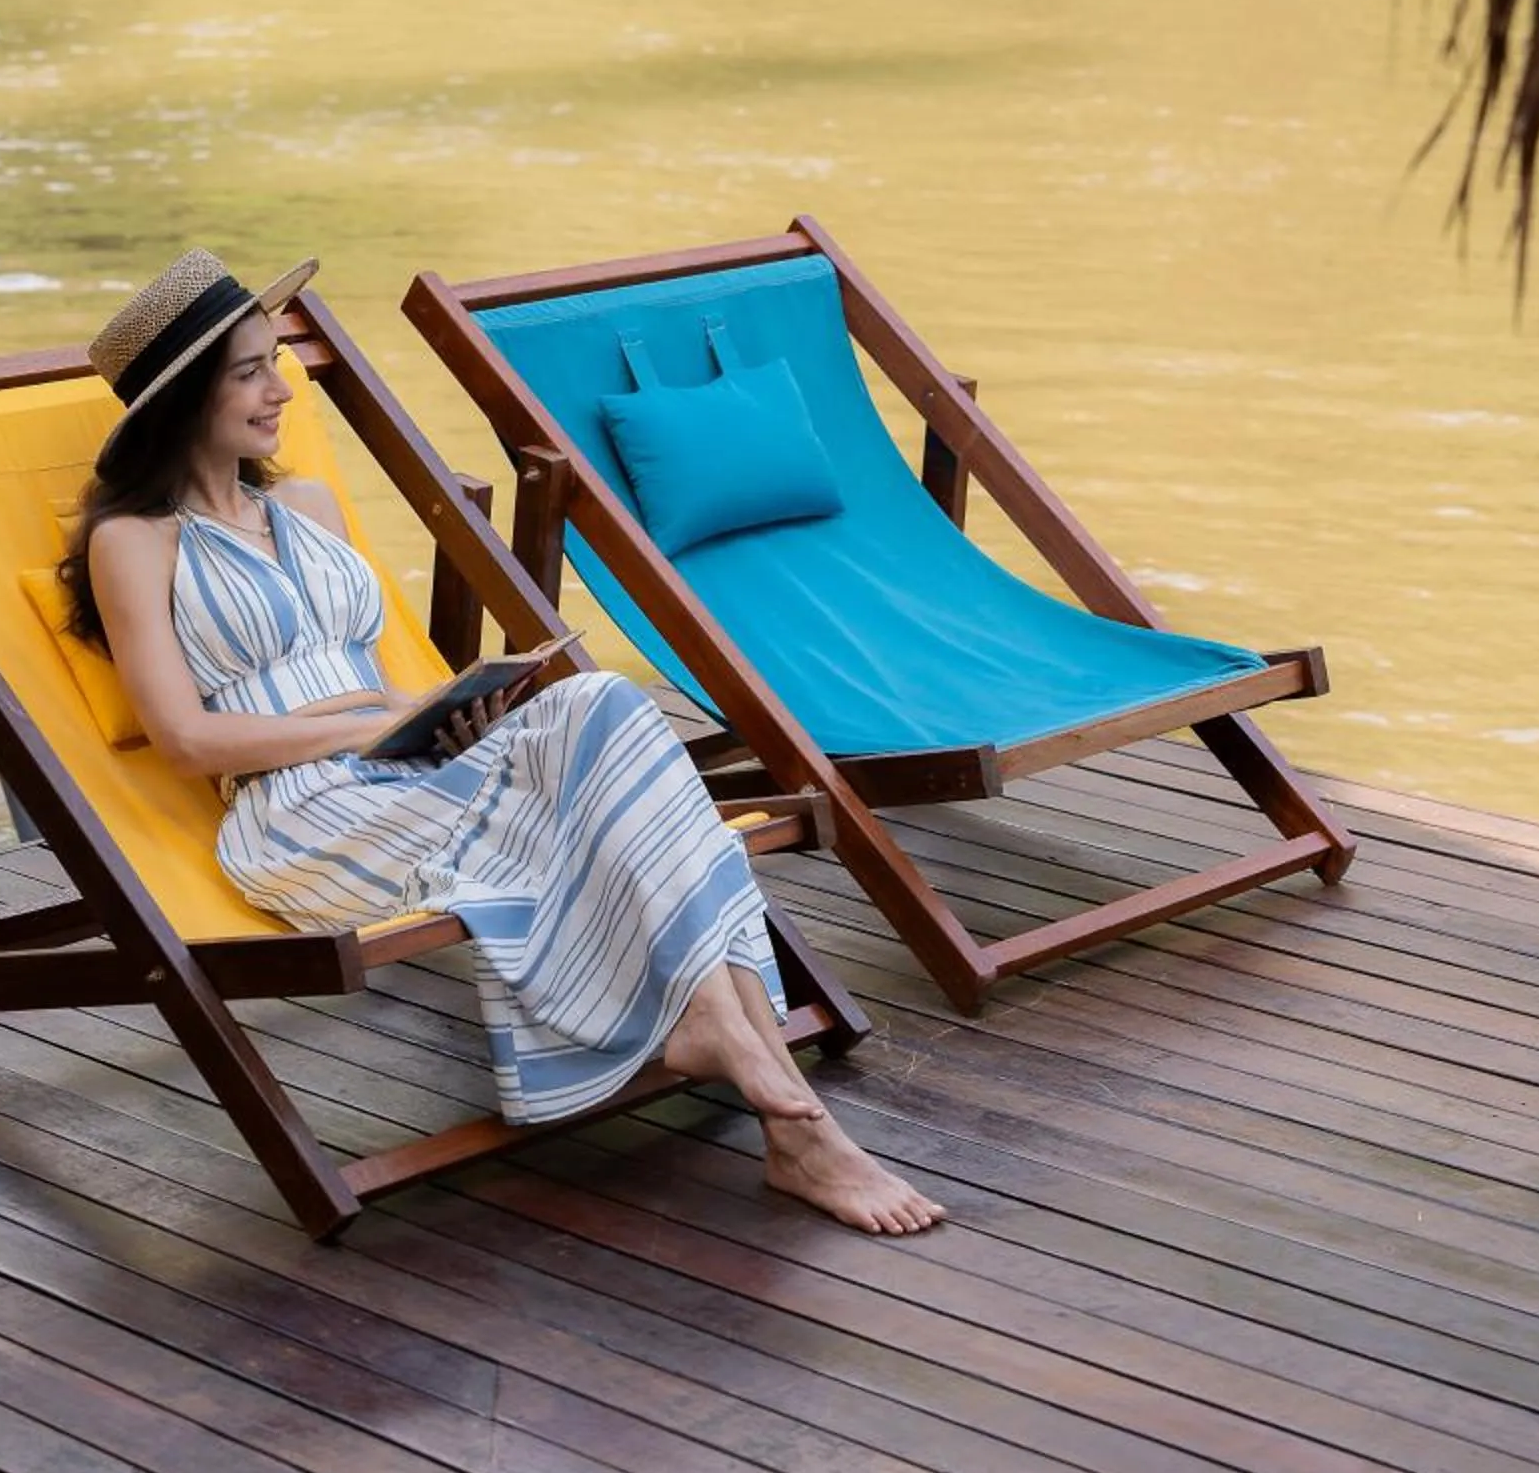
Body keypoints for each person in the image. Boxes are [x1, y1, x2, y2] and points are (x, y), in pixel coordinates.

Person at [58, 249, 943, 1235]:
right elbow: (184, 739)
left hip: (405, 762)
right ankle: (794, 1115)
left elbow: (365, 673)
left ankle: (740, 1059)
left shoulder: (302, 504)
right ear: (183, 401)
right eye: (251, 370)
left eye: (278, 359)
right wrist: (364, 725)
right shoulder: (134, 542)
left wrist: (448, 711)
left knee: (599, 699)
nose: (282, 385)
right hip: (303, 813)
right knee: (615, 769)